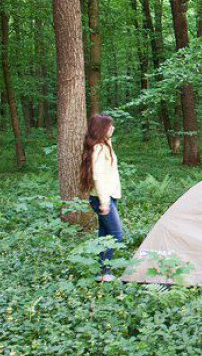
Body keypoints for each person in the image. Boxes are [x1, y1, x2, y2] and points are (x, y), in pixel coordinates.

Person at [79, 115, 124, 282]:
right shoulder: (98, 148)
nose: (112, 128)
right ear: (102, 129)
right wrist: (105, 203)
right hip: (102, 199)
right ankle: (105, 271)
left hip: (108, 196)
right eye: (109, 126)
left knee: (104, 234)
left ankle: (102, 271)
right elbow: (98, 177)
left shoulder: (104, 145)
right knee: (117, 233)